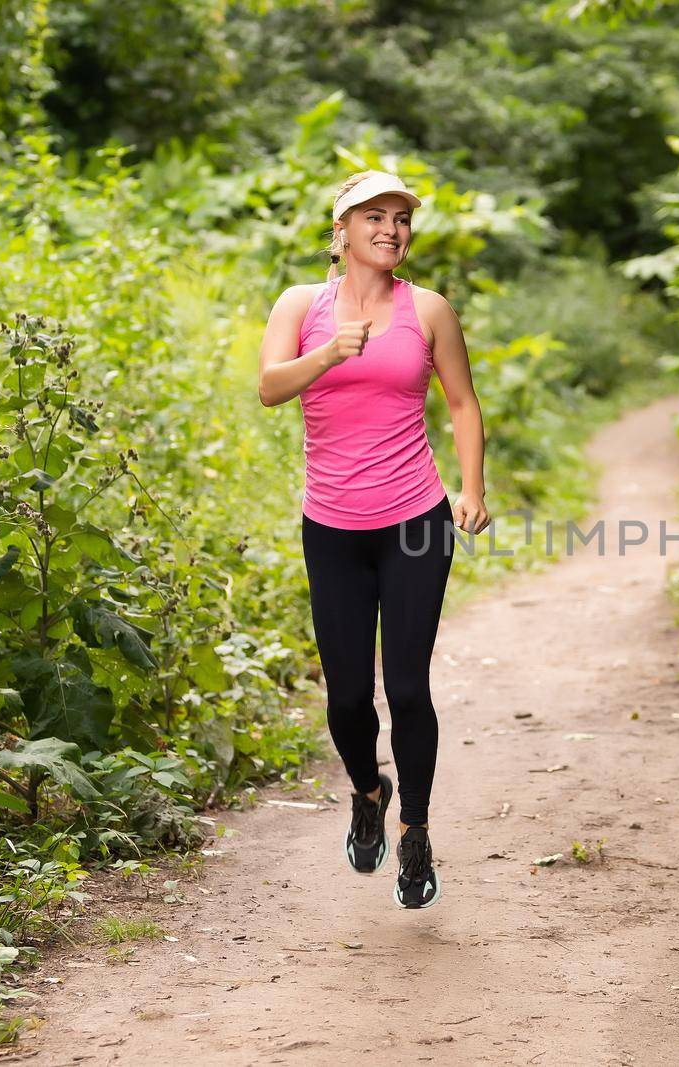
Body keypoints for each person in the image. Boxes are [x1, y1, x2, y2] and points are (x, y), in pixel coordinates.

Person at [257, 169, 490, 909]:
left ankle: (415, 833)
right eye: (374, 217)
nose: (390, 229)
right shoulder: (302, 305)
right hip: (332, 525)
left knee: (409, 686)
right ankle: (368, 789)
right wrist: (329, 352)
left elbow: (462, 401)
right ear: (342, 230)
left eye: (400, 218)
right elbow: (268, 386)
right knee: (348, 696)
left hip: (416, 521)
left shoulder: (429, 310)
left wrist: (472, 488)